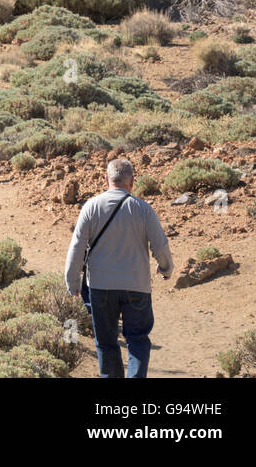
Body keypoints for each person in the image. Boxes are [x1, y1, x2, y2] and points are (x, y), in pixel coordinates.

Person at [64, 159, 174, 378]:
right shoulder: (143, 209)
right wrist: (166, 268)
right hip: (137, 286)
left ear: (106, 180)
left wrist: (72, 282)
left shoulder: (91, 207)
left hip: (100, 287)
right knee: (138, 339)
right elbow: (160, 245)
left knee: (106, 342)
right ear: (132, 182)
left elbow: (76, 247)